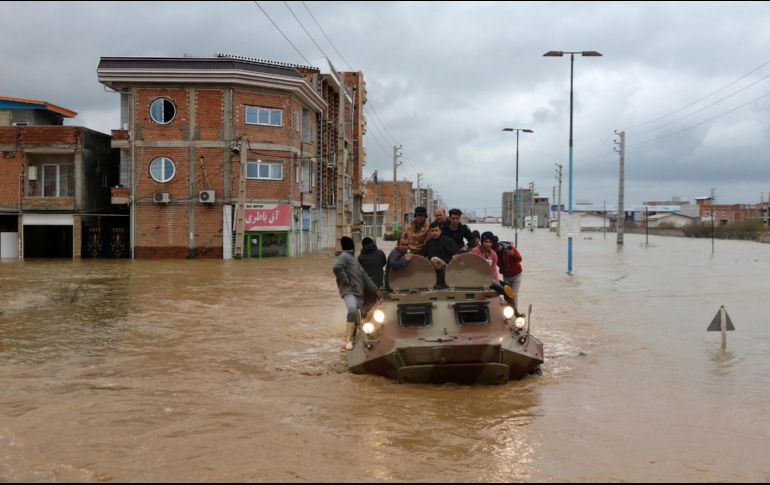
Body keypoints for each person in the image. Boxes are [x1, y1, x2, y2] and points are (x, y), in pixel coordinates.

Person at [333, 236, 381, 350]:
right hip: (349, 291)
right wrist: (346, 280)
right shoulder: (345, 256)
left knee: (361, 316)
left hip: (358, 293)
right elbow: (337, 268)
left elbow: (365, 277)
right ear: (353, 247)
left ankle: (356, 339)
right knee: (352, 310)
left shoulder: (354, 259)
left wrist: (376, 290)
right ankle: (349, 340)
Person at [500, 241, 523, 307]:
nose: (498, 248)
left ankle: (515, 310)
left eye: (499, 246)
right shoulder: (495, 252)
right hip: (506, 276)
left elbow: (519, 258)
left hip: (516, 275)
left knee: (513, 294)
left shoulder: (511, 248)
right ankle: (508, 309)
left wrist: (513, 254)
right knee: (507, 294)